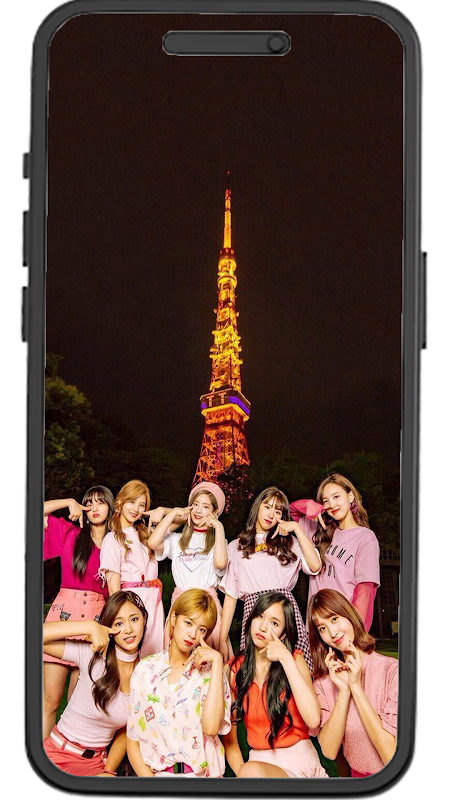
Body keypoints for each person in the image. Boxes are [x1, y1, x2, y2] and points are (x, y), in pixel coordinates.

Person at [127, 588, 232, 777]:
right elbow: (133, 741)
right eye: (188, 623)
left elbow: (210, 728)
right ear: (174, 619)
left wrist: (217, 662)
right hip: (158, 778)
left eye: (201, 629)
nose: (193, 634)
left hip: (203, 778)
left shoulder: (212, 673)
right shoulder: (145, 670)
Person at [222, 592, 327, 778]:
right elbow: (230, 739)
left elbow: (313, 719)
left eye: (274, 623)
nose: (263, 627)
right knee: (251, 771)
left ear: (283, 633)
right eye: (260, 616)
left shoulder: (295, 660)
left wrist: (286, 659)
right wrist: (242, 774)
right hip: (258, 770)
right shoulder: (236, 669)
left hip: (301, 766)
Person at [43, 590, 147, 776]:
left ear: (144, 619)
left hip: (98, 764)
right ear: (108, 628)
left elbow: (128, 730)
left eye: (134, 619)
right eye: (119, 623)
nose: (128, 630)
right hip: (57, 754)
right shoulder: (91, 656)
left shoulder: (147, 674)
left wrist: (108, 771)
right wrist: (88, 626)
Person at [219, 487, 321, 670]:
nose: (271, 514)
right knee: (256, 671)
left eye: (278, 511)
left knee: (293, 669)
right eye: (267, 507)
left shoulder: (290, 542)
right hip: (254, 612)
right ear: (257, 507)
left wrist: (296, 529)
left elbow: (315, 566)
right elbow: (231, 595)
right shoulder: (236, 546)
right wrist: (221, 638)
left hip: (283, 610)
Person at [43, 485, 114, 737]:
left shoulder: (115, 545)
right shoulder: (69, 533)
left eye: (100, 502)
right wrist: (67, 501)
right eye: (89, 502)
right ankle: (41, 753)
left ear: (110, 507)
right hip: (63, 620)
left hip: (94, 627)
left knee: (76, 705)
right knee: (50, 701)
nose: (94, 507)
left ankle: (66, 754)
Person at [307, 589, 397, 777]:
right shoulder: (325, 682)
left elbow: (392, 756)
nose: (332, 633)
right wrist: (344, 691)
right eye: (322, 628)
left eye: (334, 619)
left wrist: (356, 687)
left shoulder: (392, 671)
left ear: (348, 615)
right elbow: (329, 751)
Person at [148, 481, 231, 656]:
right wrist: (172, 513)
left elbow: (220, 564)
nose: (198, 510)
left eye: (206, 507)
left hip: (207, 608)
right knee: (177, 658)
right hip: (182, 606)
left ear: (214, 512)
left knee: (207, 661)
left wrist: (219, 526)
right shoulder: (177, 540)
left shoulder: (219, 542)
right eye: (195, 504)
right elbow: (153, 542)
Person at [290, 473, 380, 630]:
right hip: (316, 627)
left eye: (336, 496)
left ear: (350, 496)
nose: (331, 504)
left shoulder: (365, 537)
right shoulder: (320, 531)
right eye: (326, 501)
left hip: (343, 629)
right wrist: (310, 505)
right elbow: (292, 510)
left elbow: (365, 592)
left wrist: (354, 633)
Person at [99, 480, 165, 657]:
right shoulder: (112, 539)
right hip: (131, 604)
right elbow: (113, 588)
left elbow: (181, 517)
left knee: (155, 656)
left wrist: (162, 511)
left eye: (141, 505)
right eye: (132, 501)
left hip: (154, 603)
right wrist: (121, 617)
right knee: (133, 656)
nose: (136, 508)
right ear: (120, 502)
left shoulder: (147, 536)